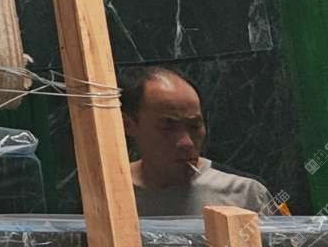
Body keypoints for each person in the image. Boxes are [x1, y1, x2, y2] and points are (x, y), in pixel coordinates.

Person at [120, 64, 283, 216]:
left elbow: (287, 236)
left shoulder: (246, 194)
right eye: (168, 127)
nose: (187, 143)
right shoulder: (113, 193)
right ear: (128, 125)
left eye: (194, 126)